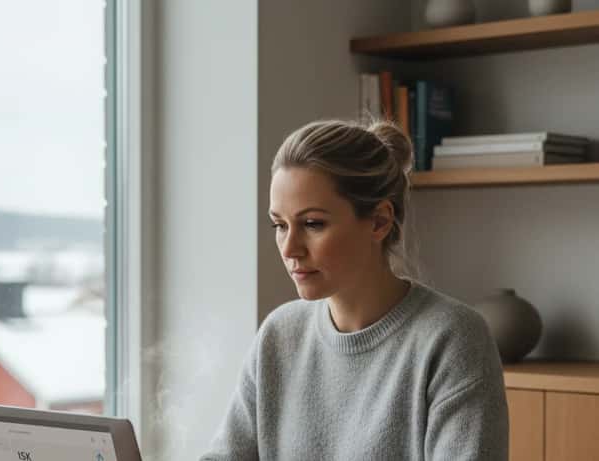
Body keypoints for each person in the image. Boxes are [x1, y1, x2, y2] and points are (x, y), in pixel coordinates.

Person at [200, 119, 509, 460]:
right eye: (280, 225)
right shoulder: (279, 334)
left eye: (312, 224)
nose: (289, 249)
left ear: (379, 221)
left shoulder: (452, 339)